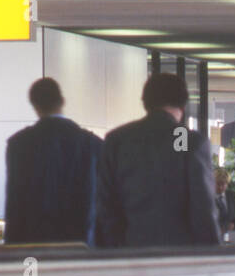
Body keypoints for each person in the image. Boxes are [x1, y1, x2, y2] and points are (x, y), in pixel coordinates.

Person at [91, 73, 220, 248]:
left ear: (145, 102)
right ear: (183, 104)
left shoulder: (118, 139)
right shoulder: (181, 137)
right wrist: (211, 251)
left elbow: (105, 203)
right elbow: (201, 204)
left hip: (128, 252)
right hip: (179, 255)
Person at [4, 77, 101, 244]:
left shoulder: (19, 144)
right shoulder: (91, 144)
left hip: (34, 243)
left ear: (34, 105)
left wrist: (13, 247)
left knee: (33, 272)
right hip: (81, 243)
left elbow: (15, 203)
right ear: (62, 101)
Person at [214, 167, 235, 235]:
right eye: (218, 184)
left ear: (227, 184)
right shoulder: (207, 197)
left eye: (223, 184)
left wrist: (234, 224)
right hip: (213, 235)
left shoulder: (232, 196)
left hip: (232, 234)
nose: (220, 187)